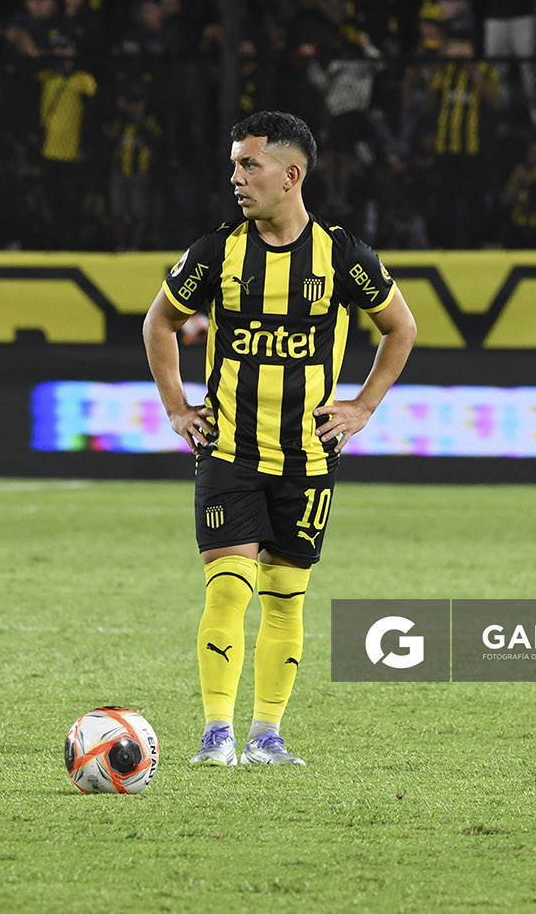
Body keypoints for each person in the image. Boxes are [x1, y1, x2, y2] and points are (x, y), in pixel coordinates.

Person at [142, 111, 417, 767]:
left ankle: (267, 734)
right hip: (230, 450)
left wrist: (362, 406)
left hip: (308, 455)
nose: (236, 177)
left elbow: (400, 327)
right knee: (229, 588)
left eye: (249, 164)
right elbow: (159, 324)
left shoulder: (343, 255)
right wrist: (178, 408)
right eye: (235, 164)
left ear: (291, 175)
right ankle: (217, 734)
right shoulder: (216, 251)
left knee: (286, 594)